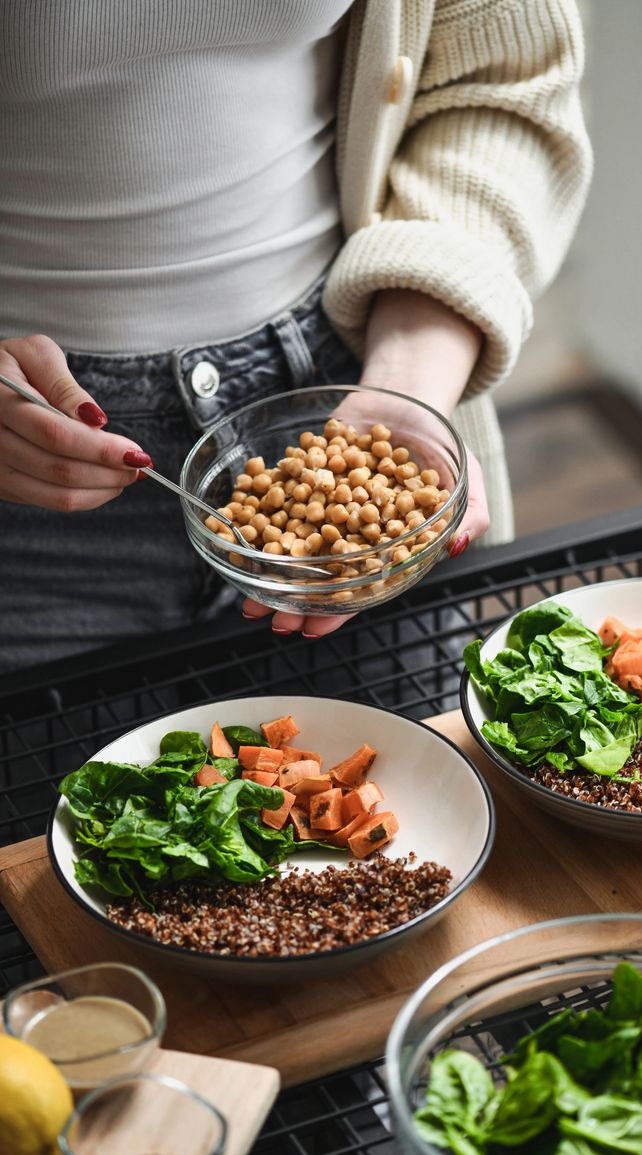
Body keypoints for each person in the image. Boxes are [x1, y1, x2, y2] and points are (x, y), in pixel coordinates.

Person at [0, 0, 592, 673]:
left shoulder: (364, 472)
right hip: (23, 468)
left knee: (400, 770)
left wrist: (410, 379)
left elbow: (500, 87)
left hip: (349, 359)